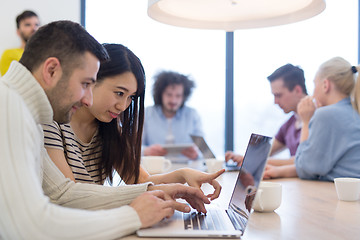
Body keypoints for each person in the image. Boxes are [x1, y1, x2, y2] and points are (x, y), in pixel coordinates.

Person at [0, 20, 211, 239]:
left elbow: (62, 193)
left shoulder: (25, 111)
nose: (87, 98)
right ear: (51, 70)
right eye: (85, 84)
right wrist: (134, 216)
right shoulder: (9, 105)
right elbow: (28, 227)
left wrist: (151, 190)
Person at [43, 43, 223, 199]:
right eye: (119, 93)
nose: (123, 106)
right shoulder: (52, 121)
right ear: (92, 79)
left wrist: (183, 174)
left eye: (131, 97)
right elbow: (71, 196)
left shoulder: (110, 126)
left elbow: (141, 180)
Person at [263, 57, 360, 181]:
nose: (313, 92)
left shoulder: (325, 115)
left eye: (315, 84)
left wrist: (306, 122)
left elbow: (305, 167)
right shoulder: (354, 111)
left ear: (326, 85)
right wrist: (278, 171)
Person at [225, 64, 307, 166]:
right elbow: (264, 152)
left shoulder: (319, 120)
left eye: (278, 95)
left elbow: (305, 160)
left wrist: (255, 160)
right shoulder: (289, 125)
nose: (275, 102)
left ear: (297, 90)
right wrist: (245, 158)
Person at [142, 70, 203, 160]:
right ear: (160, 94)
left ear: (184, 97)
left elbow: (204, 152)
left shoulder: (192, 115)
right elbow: (133, 148)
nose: (173, 100)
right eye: (169, 94)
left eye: (178, 96)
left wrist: (197, 153)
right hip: (155, 169)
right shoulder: (146, 113)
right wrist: (146, 151)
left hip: (187, 169)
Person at [0, 10, 40, 76]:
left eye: (37, 24)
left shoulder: (48, 53)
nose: (34, 28)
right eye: (28, 25)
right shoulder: (9, 54)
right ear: (18, 31)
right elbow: (11, 82)